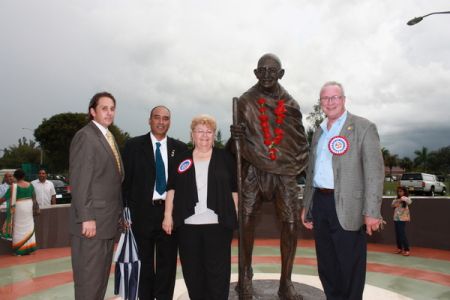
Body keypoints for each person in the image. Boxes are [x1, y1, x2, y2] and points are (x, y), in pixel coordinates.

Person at [230, 53, 308, 299]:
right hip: (254, 168)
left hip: (284, 171)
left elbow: (299, 141)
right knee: (246, 219)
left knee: (291, 222)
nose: (266, 75)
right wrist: (236, 139)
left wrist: (294, 164)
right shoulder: (245, 101)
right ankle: (245, 276)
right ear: (255, 73)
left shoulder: (291, 104)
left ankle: (286, 283)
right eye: (261, 70)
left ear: (281, 74)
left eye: (272, 71)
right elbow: (235, 151)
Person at [301, 81, 384, 300]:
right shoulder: (318, 132)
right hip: (320, 203)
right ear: (321, 103)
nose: (330, 102)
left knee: (350, 266)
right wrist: (306, 206)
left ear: (343, 100)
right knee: (327, 266)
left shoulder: (363, 127)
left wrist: (372, 211)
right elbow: (312, 172)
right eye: (325, 99)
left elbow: (374, 172)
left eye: (335, 97)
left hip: (350, 206)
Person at [163, 114, 238, 300]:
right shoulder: (181, 159)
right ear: (192, 135)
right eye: (200, 131)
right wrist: (167, 215)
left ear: (213, 135)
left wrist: (233, 214)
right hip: (188, 226)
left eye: (209, 132)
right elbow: (171, 189)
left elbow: (234, 190)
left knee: (218, 275)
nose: (204, 135)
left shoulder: (226, 158)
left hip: (218, 226)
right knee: (193, 273)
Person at [122, 105, 187, 300]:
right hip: (141, 214)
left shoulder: (181, 149)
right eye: (157, 117)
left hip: (169, 215)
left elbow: (184, 185)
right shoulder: (133, 146)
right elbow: (125, 182)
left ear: (170, 122)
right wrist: (124, 212)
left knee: (167, 265)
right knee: (144, 264)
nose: (161, 122)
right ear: (149, 120)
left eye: (165, 118)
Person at [69, 92, 124, 300]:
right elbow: (80, 180)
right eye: (104, 108)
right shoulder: (86, 136)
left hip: (107, 223)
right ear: (92, 111)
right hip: (91, 225)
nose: (109, 112)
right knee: (89, 283)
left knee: (99, 282)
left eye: (112, 108)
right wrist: (87, 217)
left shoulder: (108, 137)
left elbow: (113, 181)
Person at [0, 169, 39, 255]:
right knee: (29, 226)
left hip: (19, 207)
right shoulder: (30, 185)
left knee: (18, 227)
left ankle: (19, 250)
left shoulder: (13, 187)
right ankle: (30, 249)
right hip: (29, 206)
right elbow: (34, 198)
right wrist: (36, 208)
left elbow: (4, 198)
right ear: (24, 176)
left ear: (15, 177)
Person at [392, 186, 412, 256]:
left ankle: (407, 250)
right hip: (396, 218)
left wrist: (402, 199)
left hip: (402, 219)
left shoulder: (406, 198)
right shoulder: (396, 199)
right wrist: (397, 201)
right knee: (398, 234)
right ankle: (399, 248)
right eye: (398, 191)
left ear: (404, 192)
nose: (399, 193)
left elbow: (409, 201)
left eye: (401, 191)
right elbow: (392, 205)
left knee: (402, 234)